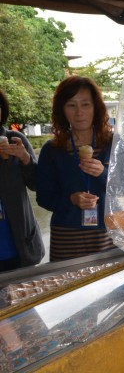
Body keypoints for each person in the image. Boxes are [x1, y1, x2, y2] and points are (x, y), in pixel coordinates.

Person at [37, 76, 117, 261]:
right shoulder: (52, 150)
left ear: (96, 107)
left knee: (107, 287)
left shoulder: (113, 144)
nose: (79, 112)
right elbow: (44, 197)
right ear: (62, 110)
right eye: (71, 105)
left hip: (106, 236)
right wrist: (71, 199)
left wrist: (103, 174)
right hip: (66, 239)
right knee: (68, 288)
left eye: (85, 104)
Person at [0, 89, 44, 271]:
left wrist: (25, 158)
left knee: (25, 296)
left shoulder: (14, 139)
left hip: (18, 241)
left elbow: (36, 184)